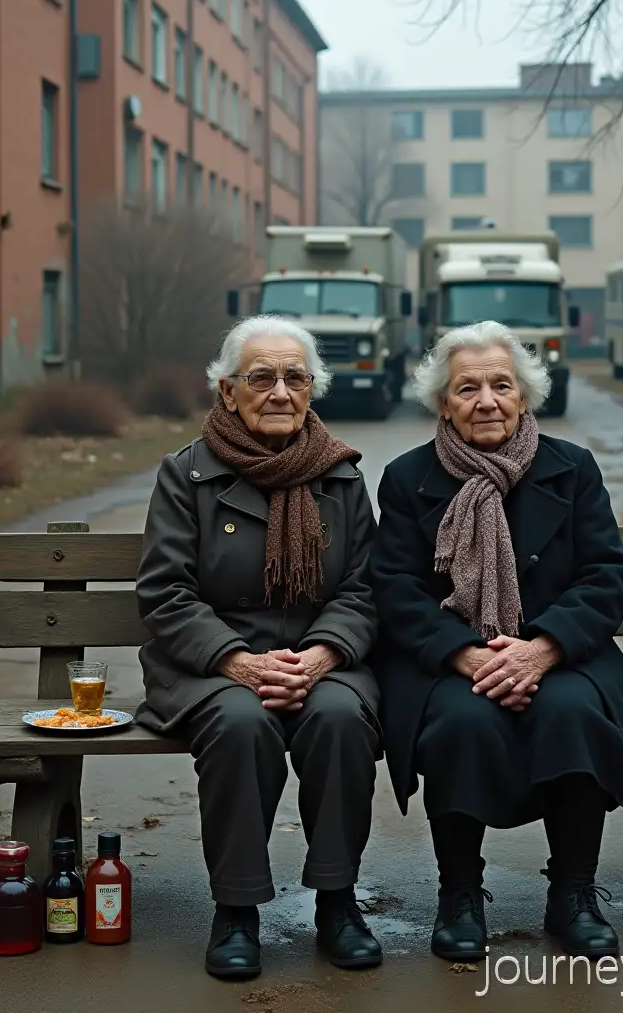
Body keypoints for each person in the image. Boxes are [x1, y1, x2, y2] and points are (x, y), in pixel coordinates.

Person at [368, 320, 623, 963]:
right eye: (468, 388)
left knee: (572, 710)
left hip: (561, 655)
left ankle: (574, 894)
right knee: (462, 721)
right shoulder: (407, 477)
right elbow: (395, 588)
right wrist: (466, 654)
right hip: (448, 660)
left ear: (524, 397)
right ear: (445, 402)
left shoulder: (571, 469)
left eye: (502, 385)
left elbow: (605, 576)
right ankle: (460, 894)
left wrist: (541, 650)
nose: (486, 400)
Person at [135, 315, 383, 980]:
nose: (279, 391)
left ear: (311, 390)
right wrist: (237, 662)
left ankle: (337, 901)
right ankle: (236, 909)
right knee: (241, 724)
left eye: (295, 377)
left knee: (338, 719)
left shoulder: (341, 478)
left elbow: (363, 588)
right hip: (211, 664)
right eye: (262, 377)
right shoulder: (185, 476)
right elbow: (165, 593)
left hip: (316, 660)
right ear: (227, 391)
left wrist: (325, 654)